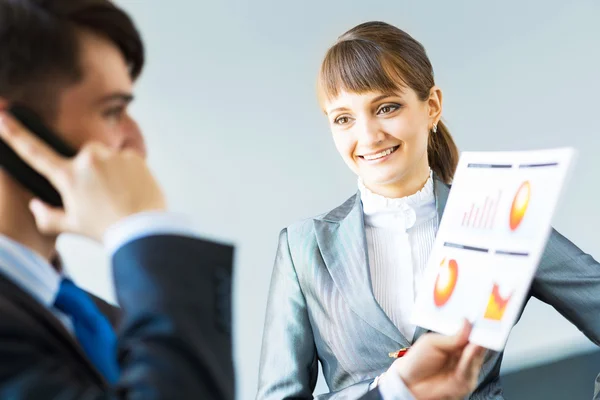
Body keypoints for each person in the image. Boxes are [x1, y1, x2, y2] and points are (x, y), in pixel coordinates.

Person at [257, 20, 600, 399]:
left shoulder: (500, 217)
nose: (368, 136)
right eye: (344, 118)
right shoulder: (303, 247)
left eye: (386, 107)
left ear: (432, 106)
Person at [0, 0, 235, 398]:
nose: (137, 144)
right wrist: (145, 230)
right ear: (14, 133)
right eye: (112, 112)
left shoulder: (112, 322)